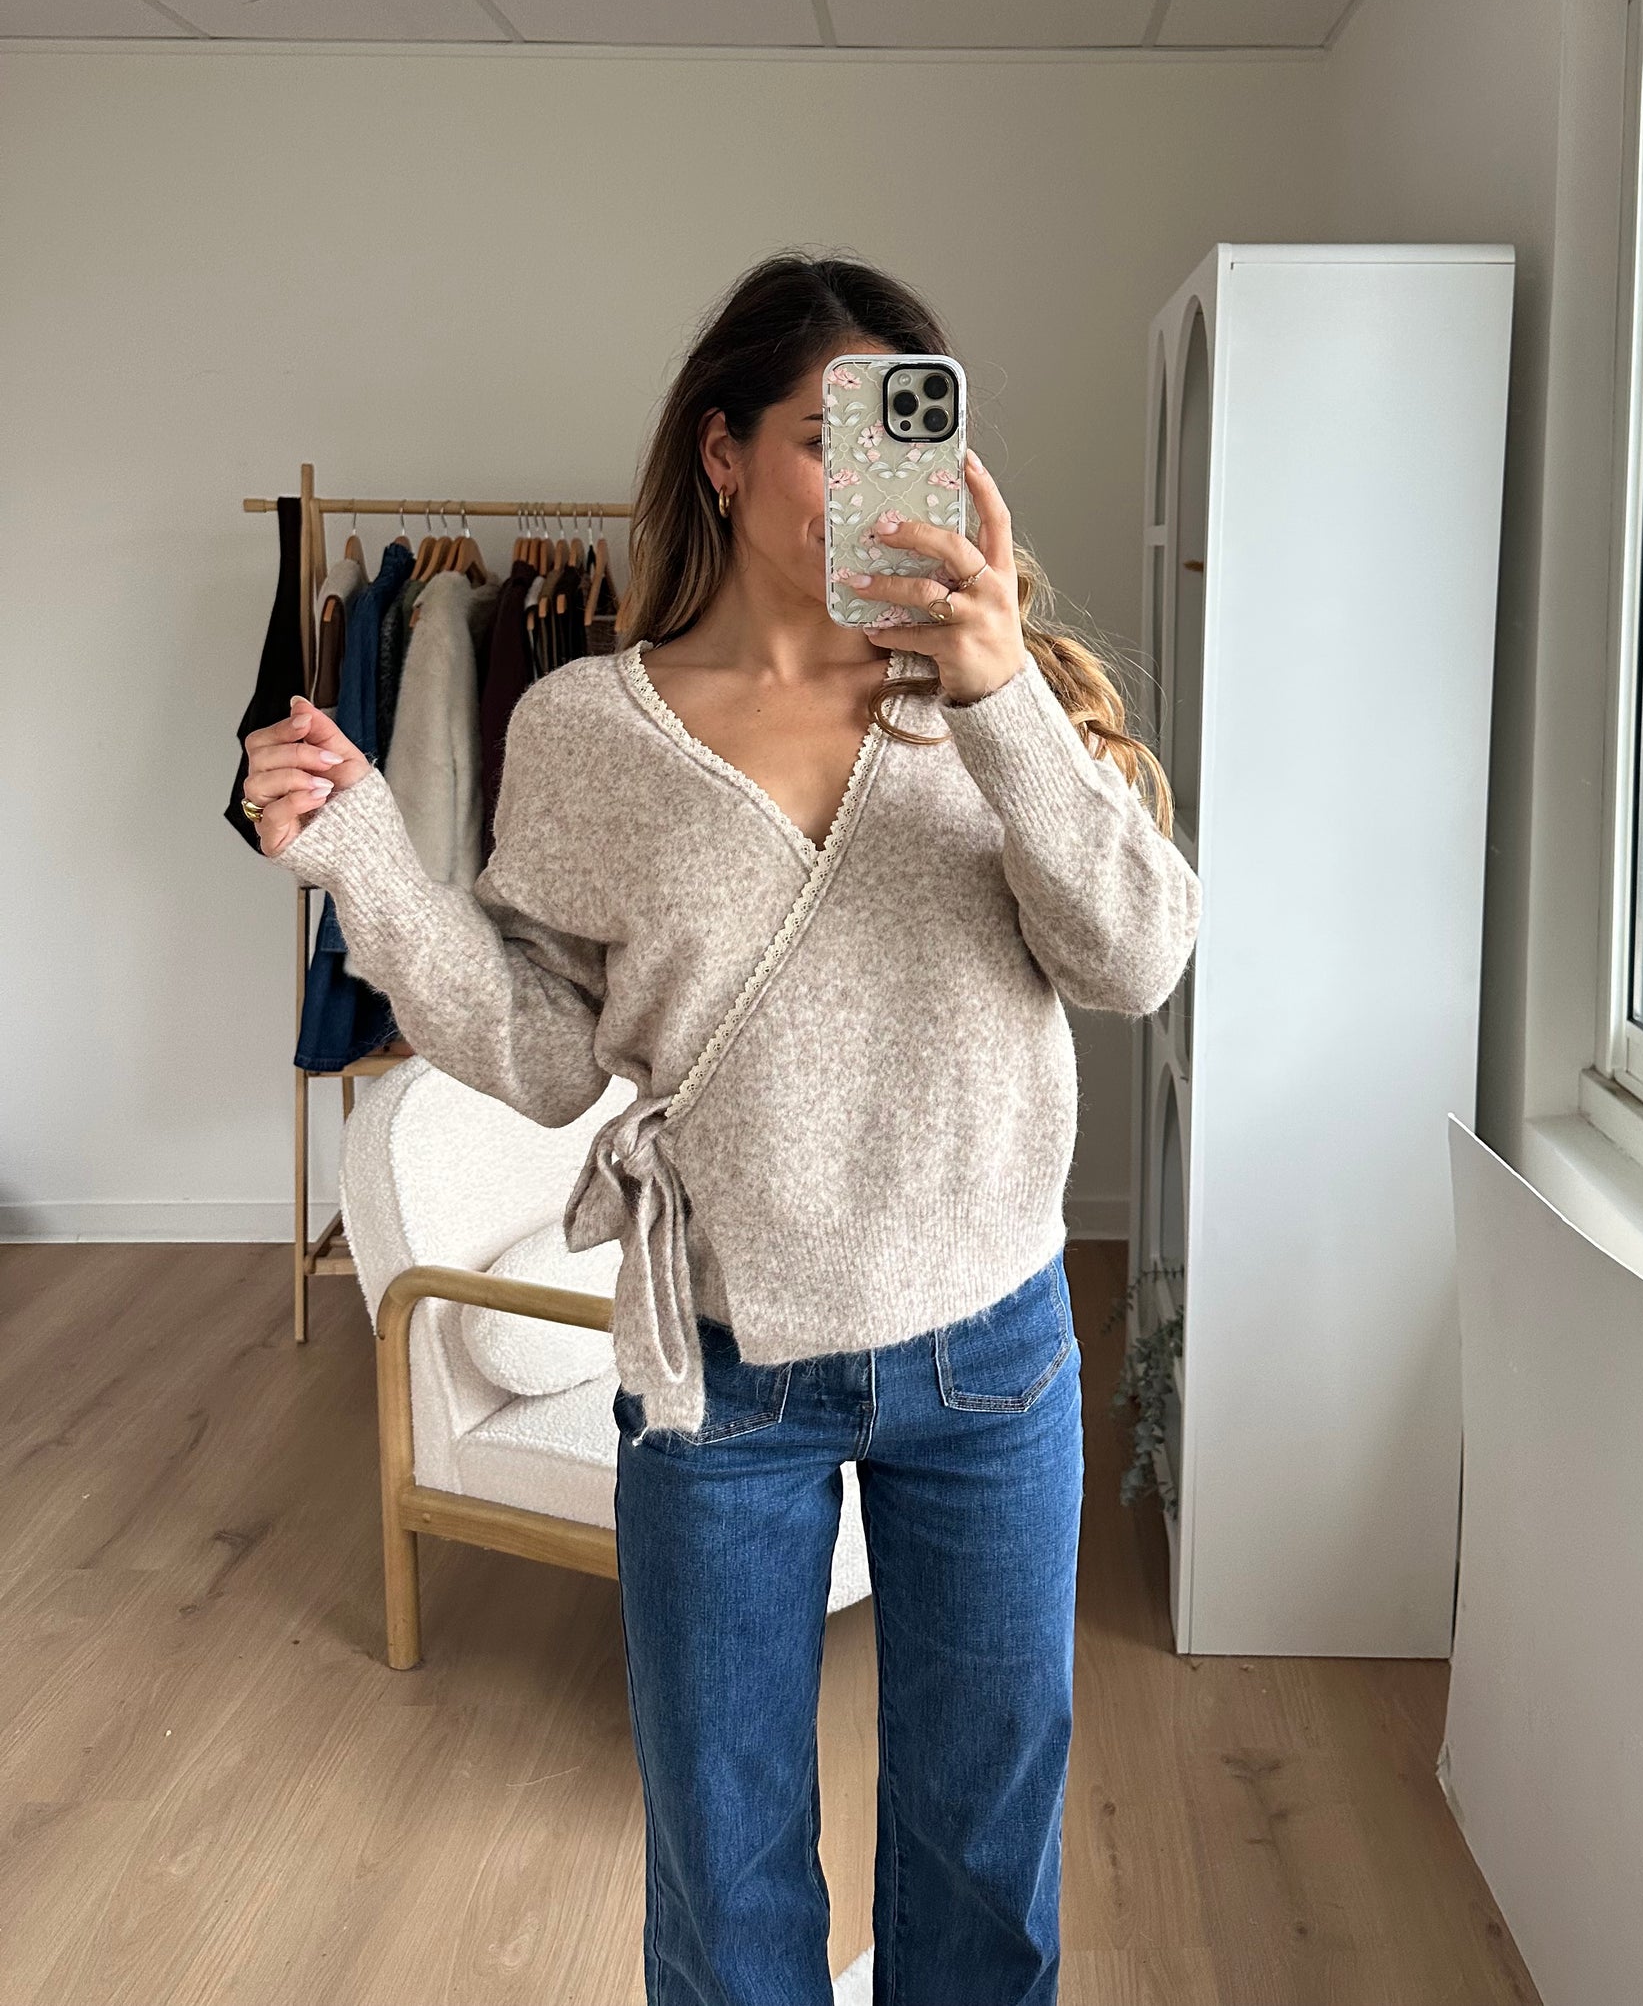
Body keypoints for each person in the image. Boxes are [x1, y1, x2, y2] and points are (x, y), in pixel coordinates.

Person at [241, 251, 1200, 2006]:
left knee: (983, 1859)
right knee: (722, 1868)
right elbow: (544, 1054)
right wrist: (365, 864)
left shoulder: (1013, 700)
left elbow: (1131, 961)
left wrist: (995, 693)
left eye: (910, 437)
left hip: (988, 1362)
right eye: (831, 437)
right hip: (717, 1370)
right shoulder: (583, 729)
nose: (875, 485)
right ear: (722, 454)